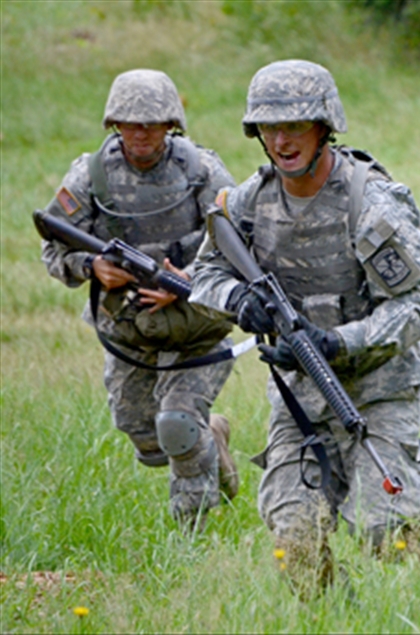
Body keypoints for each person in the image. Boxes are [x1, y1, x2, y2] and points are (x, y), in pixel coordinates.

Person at [190, 59, 420, 591]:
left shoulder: (369, 201)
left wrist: (336, 340)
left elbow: (415, 310)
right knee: (295, 537)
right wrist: (239, 300)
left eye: (295, 126)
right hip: (301, 394)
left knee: (388, 529)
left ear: (324, 126)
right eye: (270, 128)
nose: (282, 140)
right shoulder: (249, 202)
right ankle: (336, 617)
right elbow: (204, 273)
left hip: (378, 387)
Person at [39, 69, 239, 531]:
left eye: (151, 123)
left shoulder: (201, 171)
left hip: (196, 326)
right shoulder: (90, 176)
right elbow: (53, 246)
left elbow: (242, 237)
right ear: (114, 124)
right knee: (148, 439)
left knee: (177, 425)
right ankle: (213, 439)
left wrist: (189, 276)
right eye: (129, 123)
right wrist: (92, 268)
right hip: (127, 332)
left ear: (172, 124)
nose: (140, 133)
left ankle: (191, 546)